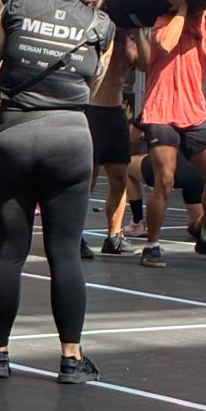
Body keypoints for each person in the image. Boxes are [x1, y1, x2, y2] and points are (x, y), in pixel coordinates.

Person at [0, 0, 115, 385]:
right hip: (70, 139)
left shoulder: (18, 7)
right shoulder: (101, 25)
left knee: (9, 252)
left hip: (16, 134)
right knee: (65, 252)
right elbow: (92, 87)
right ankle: (71, 359)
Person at [139, 0, 206, 268]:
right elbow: (164, 44)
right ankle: (152, 244)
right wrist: (184, 9)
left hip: (194, 114)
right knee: (165, 181)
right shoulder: (166, 21)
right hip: (161, 111)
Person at [86, 29, 148, 257]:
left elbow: (146, 64)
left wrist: (138, 32)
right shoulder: (98, 36)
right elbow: (97, 69)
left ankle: (114, 236)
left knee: (120, 178)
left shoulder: (130, 44)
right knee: (88, 179)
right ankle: (73, 236)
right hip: (91, 111)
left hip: (115, 114)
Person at [126, 119, 204, 236]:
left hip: (167, 167)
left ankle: (137, 223)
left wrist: (133, 150)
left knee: (126, 165)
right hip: (195, 169)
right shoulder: (193, 111)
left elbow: (134, 137)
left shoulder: (153, 111)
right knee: (197, 226)